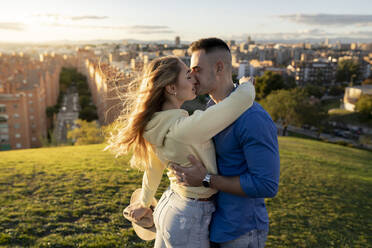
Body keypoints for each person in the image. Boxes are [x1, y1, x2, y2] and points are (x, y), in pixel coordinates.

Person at [105, 55, 256, 247]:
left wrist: (144, 202)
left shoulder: (155, 125)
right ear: (171, 88)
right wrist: (245, 84)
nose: (194, 78)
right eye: (187, 75)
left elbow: (153, 168)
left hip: (171, 205)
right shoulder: (184, 128)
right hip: (190, 217)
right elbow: (240, 101)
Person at [170, 38, 280, 248]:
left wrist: (205, 179)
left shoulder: (253, 118)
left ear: (219, 67)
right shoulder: (212, 109)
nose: (192, 76)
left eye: (197, 69)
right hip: (214, 224)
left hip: (241, 230)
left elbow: (266, 184)